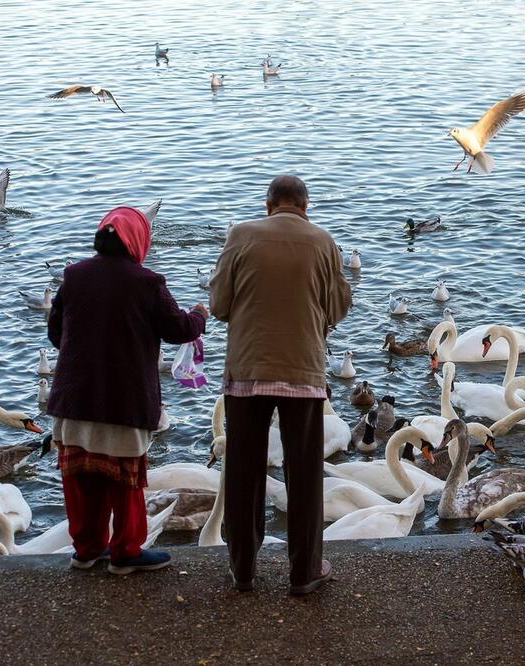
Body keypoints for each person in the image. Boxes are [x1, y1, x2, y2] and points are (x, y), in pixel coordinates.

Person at [47, 206, 207, 575]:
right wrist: (199, 315)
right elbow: (179, 329)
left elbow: (56, 334)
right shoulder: (146, 282)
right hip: (124, 399)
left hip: (75, 397)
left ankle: (86, 550)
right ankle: (126, 552)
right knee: (126, 480)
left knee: (81, 479)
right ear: (138, 241)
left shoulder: (74, 276)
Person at [210, 175, 351, 594]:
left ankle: (243, 569)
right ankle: (304, 571)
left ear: (268, 205)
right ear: (306, 207)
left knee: (243, 472)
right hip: (303, 373)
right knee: (304, 474)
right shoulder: (323, 242)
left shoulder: (240, 235)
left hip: (247, 373)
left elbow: (218, 305)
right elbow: (338, 307)